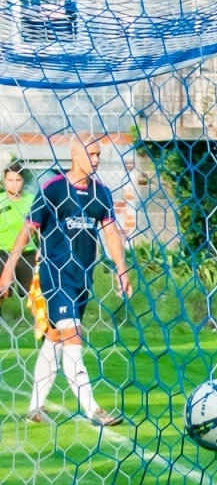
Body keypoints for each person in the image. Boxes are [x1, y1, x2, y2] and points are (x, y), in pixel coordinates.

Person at [0, 137, 129, 426]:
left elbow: (110, 234)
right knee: (73, 338)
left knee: (55, 339)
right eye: (91, 153)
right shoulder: (54, 188)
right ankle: (93, 409)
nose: (96, 159)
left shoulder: (101, 194)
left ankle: (35, 407)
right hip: (55, 276)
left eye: (99, 154)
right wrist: (8, 269)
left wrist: (122, 268)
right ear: (74, 154)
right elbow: (27, 229)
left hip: (82, 278)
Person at [0, 162, 36, 314]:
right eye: (10, 180)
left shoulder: (32, 200)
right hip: (2, 254)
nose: (14, 184)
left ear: (23, 181)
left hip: (28, 254)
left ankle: (45, 333)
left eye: (18, 180)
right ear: (4, 180)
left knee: (37, 297)